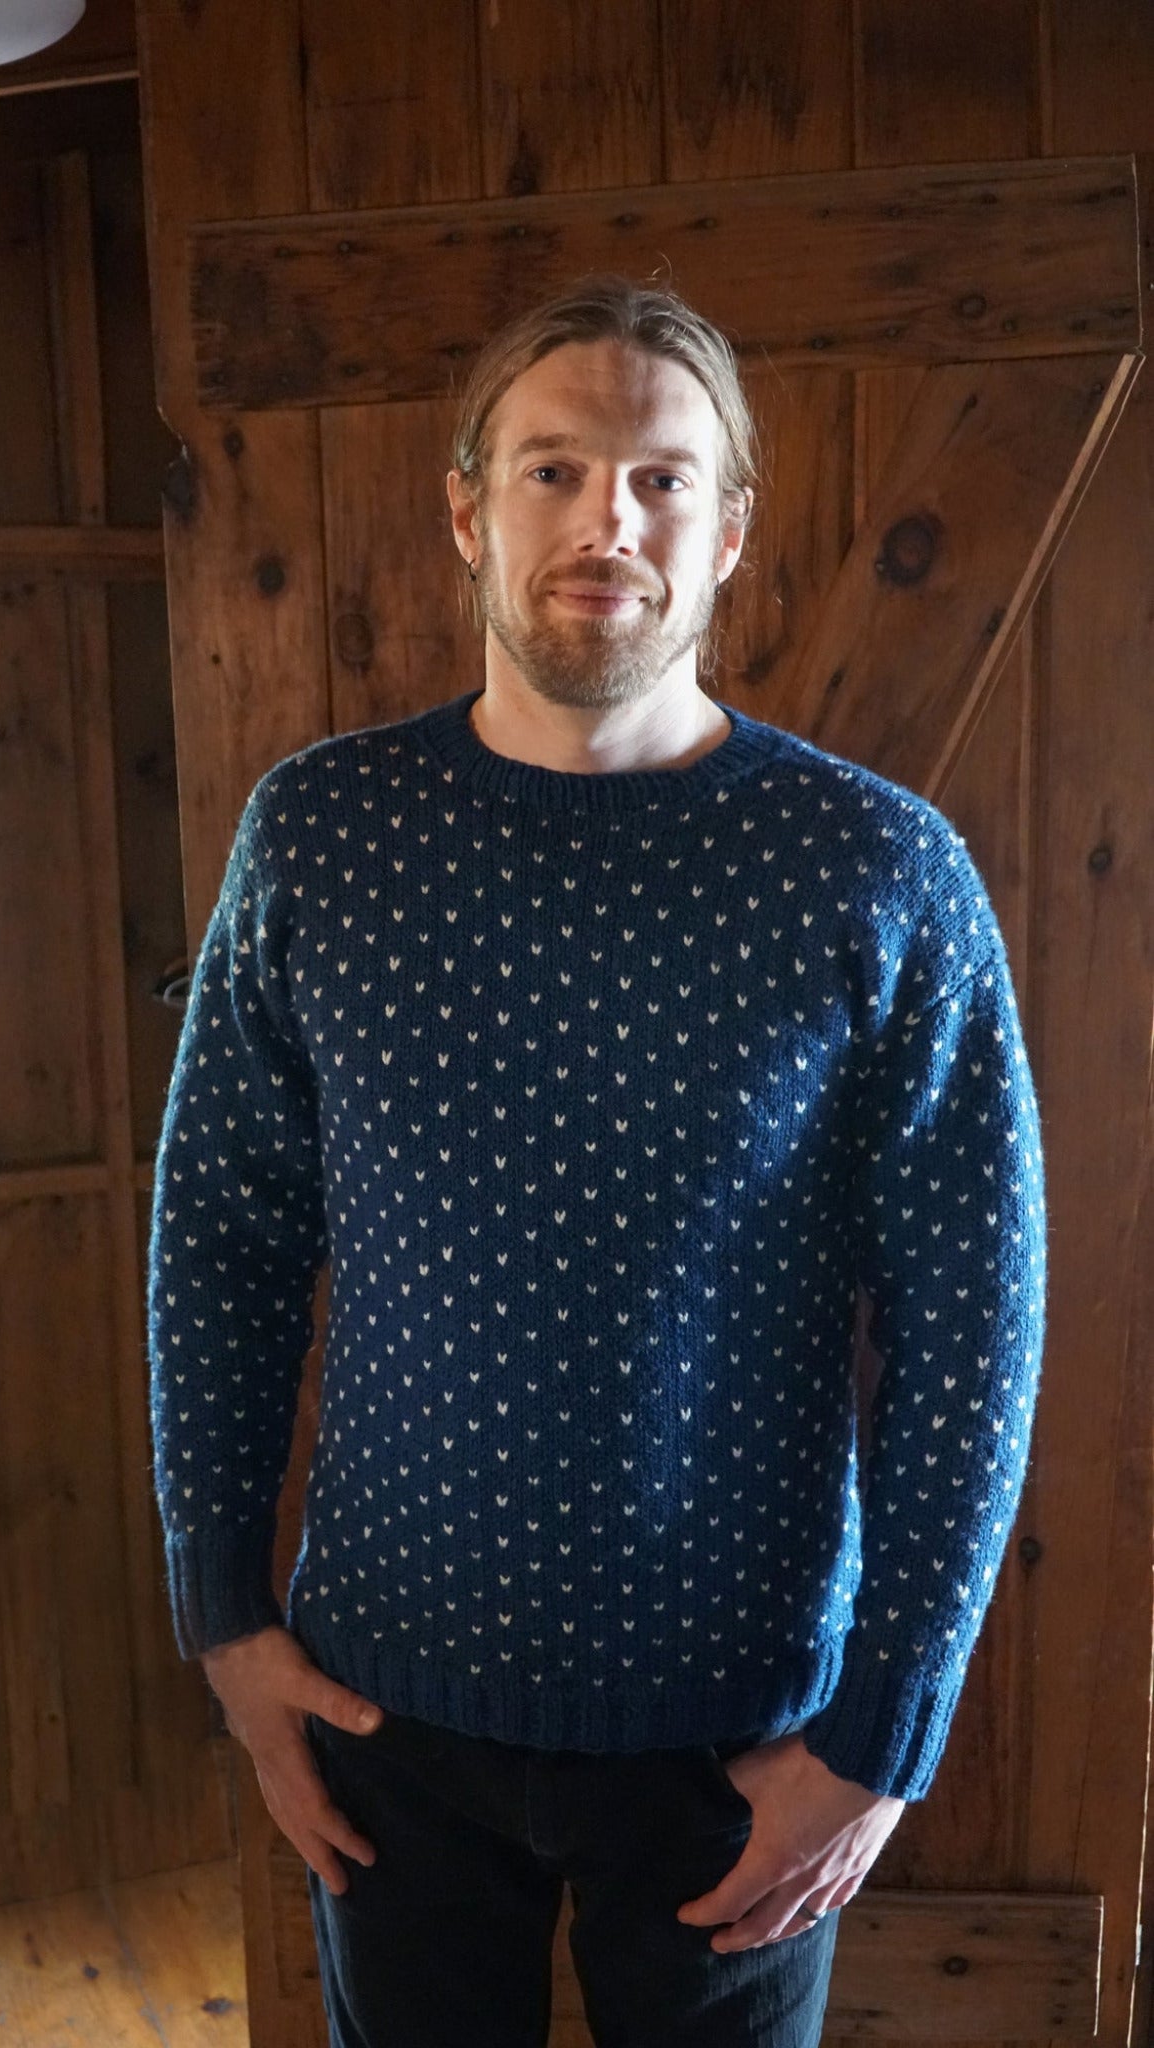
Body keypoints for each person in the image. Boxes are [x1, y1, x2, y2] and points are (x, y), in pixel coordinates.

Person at [146, 273, 1047, 2048]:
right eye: (553, 471)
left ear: (725, 535)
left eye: (658, 479)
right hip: (380, 1711)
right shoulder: (321, 835)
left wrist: (883, 1736)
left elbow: (975, 1318)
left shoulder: (878, 869)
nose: (604, 521)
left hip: (740, 1744)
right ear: (470, 511)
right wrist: (224, 1624)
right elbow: (221, 1241)